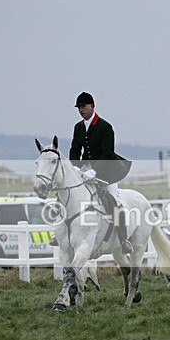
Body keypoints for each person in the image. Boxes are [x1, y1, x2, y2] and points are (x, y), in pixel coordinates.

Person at [69, 92, 133, 254]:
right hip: (85, 169)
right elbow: (75, 150)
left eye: (83, 107)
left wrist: (95, 170)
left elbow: (108, 153)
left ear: (92, 106)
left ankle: (124, 239)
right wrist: (75, 167)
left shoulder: (105, 127)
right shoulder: (78, 127)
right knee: (69, 193)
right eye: (79, 107)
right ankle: (61, 232)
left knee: (115, 200)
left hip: (106, 170)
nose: (81, 110)